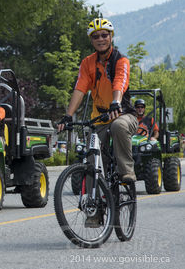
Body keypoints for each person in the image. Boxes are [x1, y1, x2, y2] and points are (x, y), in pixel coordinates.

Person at [57, 18, 138, 227]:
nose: (101, 39)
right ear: (91, 40)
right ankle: (95, 210)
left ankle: (126, 171)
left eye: (104, 35)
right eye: (96, 36)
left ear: (111, 37)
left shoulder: (121, 60)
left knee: (119, 126)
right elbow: (80, 88)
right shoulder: (87, 63)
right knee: (92, 160)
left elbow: (120, 81)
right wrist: (68, 115)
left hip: (122, 113)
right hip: (99, 117)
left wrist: (115, 102)